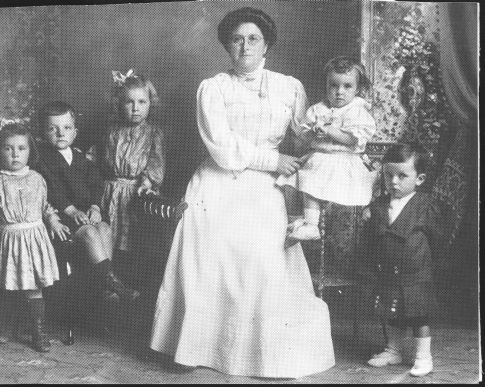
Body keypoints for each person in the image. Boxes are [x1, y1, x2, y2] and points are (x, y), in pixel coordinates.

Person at [150, 7, 335, 378]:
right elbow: (221, 146)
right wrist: (273, 159)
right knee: (212, 250)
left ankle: (266, 355)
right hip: (219, 181)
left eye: (253, 38)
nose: (245, 46)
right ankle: (198, 347)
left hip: (267, 186)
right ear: (226, 46)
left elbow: (302, 136)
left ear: (267, 43)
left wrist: (331, 136)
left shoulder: (289, 87)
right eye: (237, 39)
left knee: (263, 257)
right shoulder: (213, 88)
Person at [35, 101, 139, 303]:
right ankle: (110, 284)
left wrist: (95, 207)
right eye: (52, 128)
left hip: (85, 212)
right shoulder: (43, 160)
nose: (60, 133)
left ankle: (106, 285)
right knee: (91, 232)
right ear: (43, 133)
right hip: (62, 217)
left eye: (66, 128)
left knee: (105, 229)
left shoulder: (81, 158)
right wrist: (72, 211)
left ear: (75, 132)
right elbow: (50, 189)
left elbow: (96, 184)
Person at [358, 143, 446, 377]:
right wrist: (369, 213)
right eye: (388, 175)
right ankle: (393, 349)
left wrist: (428, 265)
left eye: (402, 176)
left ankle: (423, 357)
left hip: (414, 274)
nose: (394, 182)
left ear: (419, 179)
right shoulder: (379, 205)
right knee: (391, 312)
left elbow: (437, 240)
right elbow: (372, 235)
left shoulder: (425, 206)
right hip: (387, 271)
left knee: (419, 316)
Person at [0, 122, 67, 352]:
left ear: (30, 152)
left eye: (21, 148)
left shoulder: (37, 178)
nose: (15, 154)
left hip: (35, 240)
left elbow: (44, 205)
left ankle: (38, 331)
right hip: (9, 240)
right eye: (8, 148)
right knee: (9, 286)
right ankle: (8, 323)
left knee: (34, 287)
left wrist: (53, 220)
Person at [277, 56, 377, 241]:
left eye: (347, 86)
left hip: (344, 159)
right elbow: (304, 136)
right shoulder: (318, 109)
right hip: (319, 156)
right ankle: (306, 223)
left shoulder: (357, 110)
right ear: (326, 85)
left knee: (314, 177)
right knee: (295, 180)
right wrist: (314, 132)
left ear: (358, 88)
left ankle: (312, 224)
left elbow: (352, 140)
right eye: (333, 85)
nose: (339, 92)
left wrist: (330, 130)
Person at [100, 70, 165, 258]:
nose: (135, 108)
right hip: (110, 192)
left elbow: (156, 164)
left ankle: (129, 276)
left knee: (133, 242)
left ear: (150, 104)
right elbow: (102, 161)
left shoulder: (153, 133)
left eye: (142, 102)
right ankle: (109, 278)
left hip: (136, 192)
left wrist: (147, 183)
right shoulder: (111, 131)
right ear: (119, 104)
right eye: (129, 102)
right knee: (107, 240)